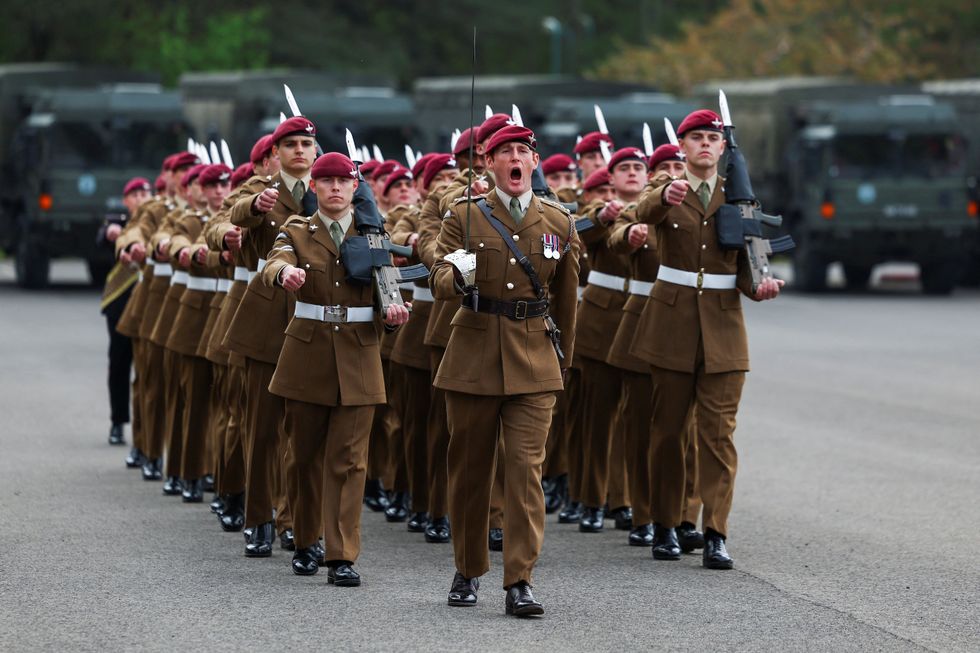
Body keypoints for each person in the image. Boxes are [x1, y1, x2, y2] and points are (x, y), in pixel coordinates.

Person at [432, 125, 579, 617]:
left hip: (535, 360)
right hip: (474, 354)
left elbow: (566, 300)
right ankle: (469, 568)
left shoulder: (558, 221)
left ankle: (520, 579)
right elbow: (439, 275)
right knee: (471, 470)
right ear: (489, 164)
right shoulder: (465, 217)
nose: (515, 159)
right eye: (505, 152)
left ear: (534, 163)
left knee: (524, 471)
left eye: (523, 151)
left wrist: (564, 360)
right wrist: (455, 274)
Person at [630, 109, 783, 570]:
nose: (704, 145)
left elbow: (750, 269)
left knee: (718, 437)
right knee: (668, 433)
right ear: (682, 147)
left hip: (723, 330)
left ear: (722, 148)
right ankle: (666, 525)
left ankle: (716, 531)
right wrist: (664, 195)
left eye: (712, 138)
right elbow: (642, 211)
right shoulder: (667, 191)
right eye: (695, 137)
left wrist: (761, 285)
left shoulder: (739, 198)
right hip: (671, 325)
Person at [262, 151, 410, 583]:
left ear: (353, 187)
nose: (334, 188)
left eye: (343, 181)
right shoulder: (298, 231)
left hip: (359, 354)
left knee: (349, 460)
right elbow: (275, 259)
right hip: (307, 354)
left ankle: (341, 554)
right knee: (303, 455)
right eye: (325, 181)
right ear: (314, 187)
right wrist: (283, 274)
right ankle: (306, 540)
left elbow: (388, 291)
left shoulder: (374, 235)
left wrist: (395, 315)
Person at [226, 117, 318, 556]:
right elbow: (232, 213)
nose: (299, 151)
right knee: (262, 428)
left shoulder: (332, 191)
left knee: (303, 431)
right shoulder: (260, 190)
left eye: (306, 144)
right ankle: (259, 516)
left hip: (314, 320)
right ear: (276, 153)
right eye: (291, 144)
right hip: (266, 319)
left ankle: (292, 519)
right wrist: (257, 207)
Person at [571, 147, 650, 533]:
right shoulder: (600, 211)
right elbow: (581, 233)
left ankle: (627, 501)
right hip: (602, 321)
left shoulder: (658, 211)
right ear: (611, 177)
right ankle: (591, 499)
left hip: (640, 317)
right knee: (598, 417)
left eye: (639, 168)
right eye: (625, 169)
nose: (633, 173)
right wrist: (603, 215)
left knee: (634, 419)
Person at [98, 177, 151, 446]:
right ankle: (118, 421)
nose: (142, 197)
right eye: (136, 193)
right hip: (120, 301)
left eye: (146, 192)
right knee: (119, 361)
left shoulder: (158, 219)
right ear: (126, 199)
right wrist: (112, 233)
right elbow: (105, 234)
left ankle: (149, 428)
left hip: (151, 302)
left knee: (148, 366)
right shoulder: (118, 218)